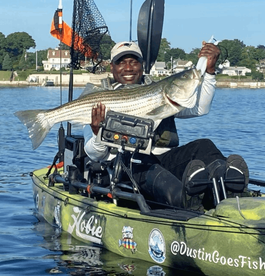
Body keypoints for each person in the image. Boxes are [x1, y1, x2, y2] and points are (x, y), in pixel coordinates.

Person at [83, 41, 249, 210]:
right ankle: (185, 201)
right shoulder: (99, 98)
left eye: (134, 62)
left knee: (204, 146)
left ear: (142, 65)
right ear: (112, 67)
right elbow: (94, 154)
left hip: (165, 159)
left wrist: (210, 72)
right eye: (121, 62)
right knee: (140, 160)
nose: (128, 68)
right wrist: (98, 134)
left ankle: (229, 184)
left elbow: (200, 108)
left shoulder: (162, 91)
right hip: (127, 166)